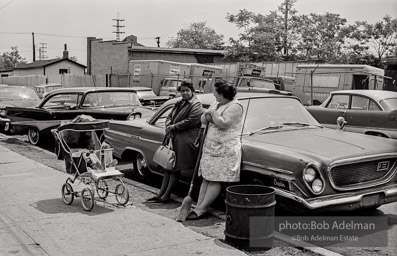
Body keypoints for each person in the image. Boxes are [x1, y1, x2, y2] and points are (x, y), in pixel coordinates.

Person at [187, 80, 244, 220]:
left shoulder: (235, 106)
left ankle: (201, 209)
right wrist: (211, 115)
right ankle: (198, 206)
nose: (213, 93)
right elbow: (203, 120)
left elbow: (224, 124)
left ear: (222, 94)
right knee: (207, 177)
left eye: (215, 91)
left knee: (215, 179)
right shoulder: (217, 103)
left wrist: (211, 113)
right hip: (211, 147)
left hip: (224, 149)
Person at [146, 81, 204, 204]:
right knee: (168, 167)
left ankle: (166, 195)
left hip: (186, 139)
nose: (185, 93)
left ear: (192, 91)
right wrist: (168, 124)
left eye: (187, 90)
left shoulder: (196, 104)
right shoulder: (179, 102)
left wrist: (173, 127)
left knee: (175, 168)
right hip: (175, 137)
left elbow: (192, 121)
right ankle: (160, 194)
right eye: (182, 91)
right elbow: (170, 116)